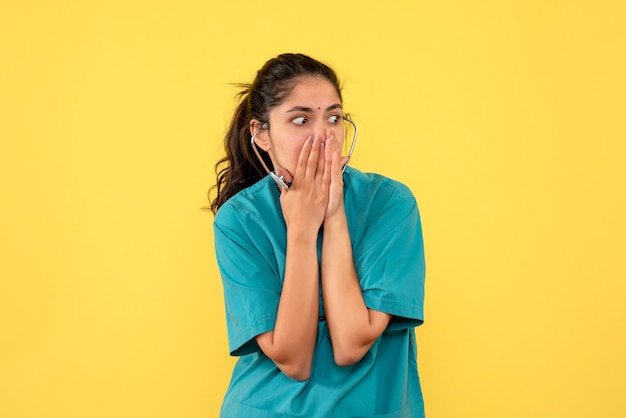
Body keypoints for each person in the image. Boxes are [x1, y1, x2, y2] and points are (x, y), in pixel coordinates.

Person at [210, 53, 426, 417]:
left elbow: (351, 344)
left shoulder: (390, 204)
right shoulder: (239, 221)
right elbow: (294, 361)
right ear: (261, 135)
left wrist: (335, 214)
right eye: (300, 120)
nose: (323, 135)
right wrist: (302, 230)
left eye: (334, 118)